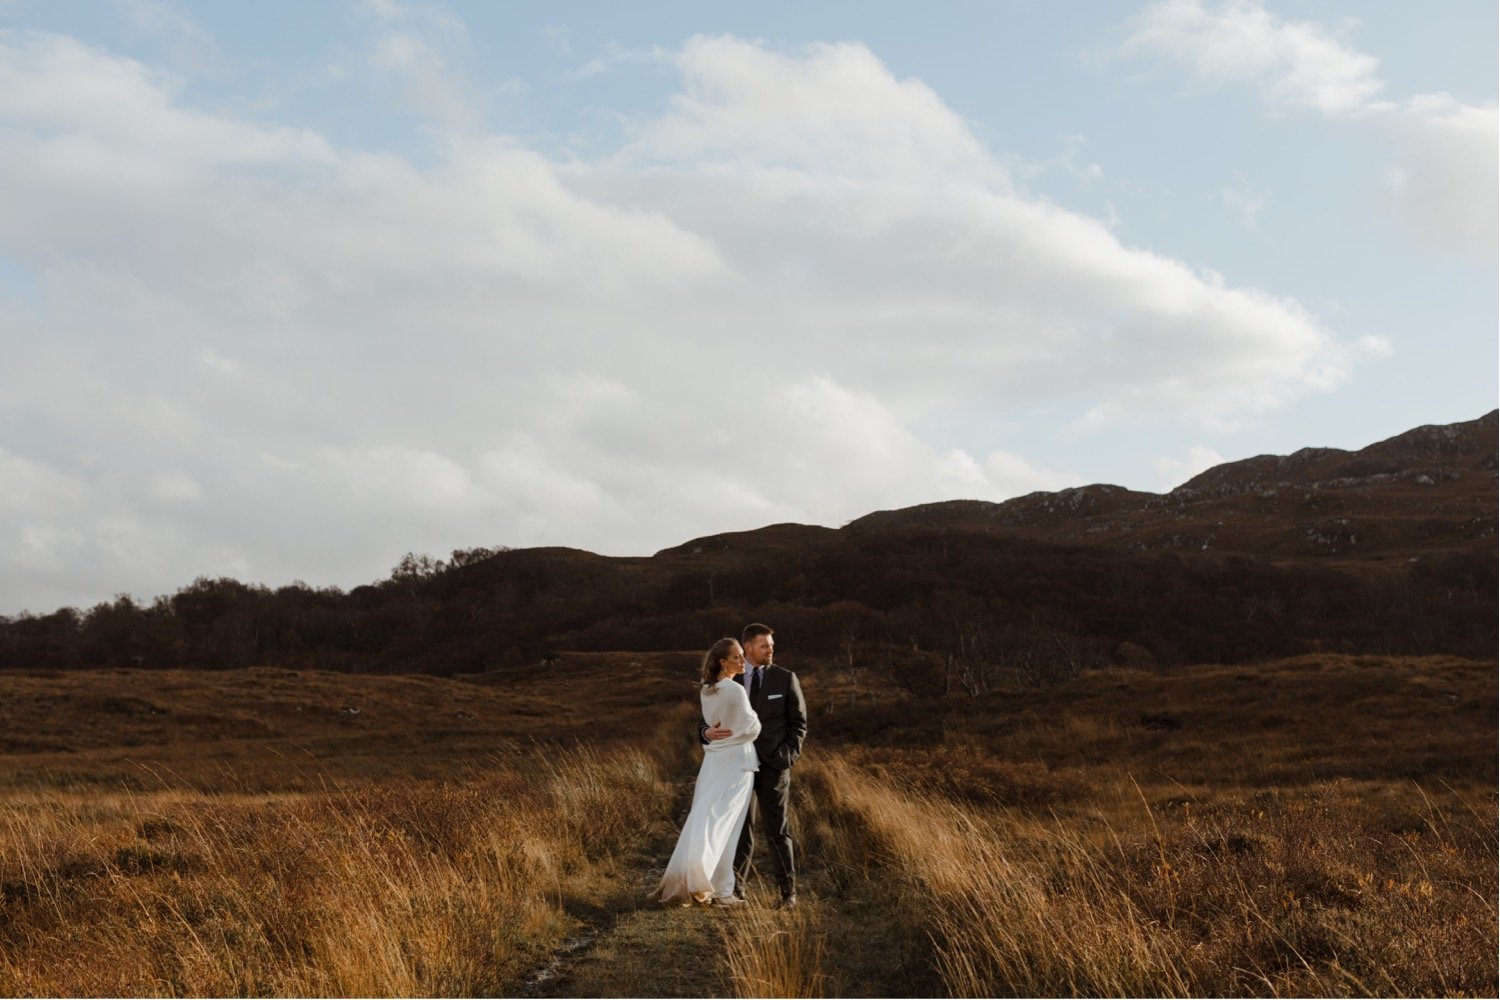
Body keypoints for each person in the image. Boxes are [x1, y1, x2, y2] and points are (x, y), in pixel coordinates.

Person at [703, 623, 807, 908]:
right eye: (765, 645)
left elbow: (799, 723)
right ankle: (736, 890)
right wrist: (705, 732)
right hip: (737, 766)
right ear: (748, 648)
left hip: (774, 765)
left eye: (772, 646)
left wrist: (788, 754)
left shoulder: (785, 679)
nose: (770, 650)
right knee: (739, 829)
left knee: (778, 829)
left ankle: (788, 894)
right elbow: (709, 718)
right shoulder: (729, 681)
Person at [657, 638, 761, 906]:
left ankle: (714, 885)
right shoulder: (735, 691)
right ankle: (719, 889)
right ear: (723, 662)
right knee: (727, 826)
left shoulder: (708, 690)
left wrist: (716, 732)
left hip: (715, 762)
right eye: (737, 657)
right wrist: (749, 724)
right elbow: (752, 729)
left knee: (708, 819)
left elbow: (714, 726)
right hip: (737, 764)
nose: (743, 661)